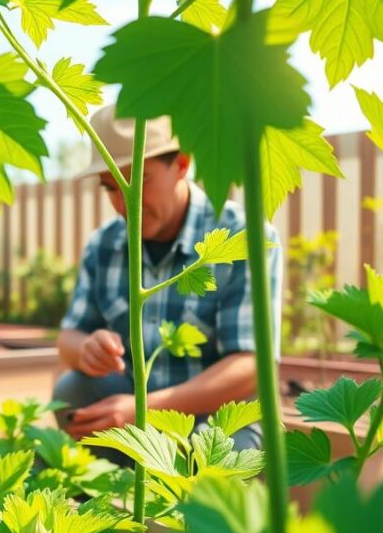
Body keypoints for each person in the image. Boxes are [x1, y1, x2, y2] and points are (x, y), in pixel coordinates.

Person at [53, 105, 281, 452]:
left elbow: (251, 365)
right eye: (110, 188)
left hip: (212, 419)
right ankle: (110, 490)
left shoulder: (242, 237)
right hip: (130, 410)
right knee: (72, 390)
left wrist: (142, 410)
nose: (125, 203)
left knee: (228, 454)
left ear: (182, 164)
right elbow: (68, 336)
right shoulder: (104, 244)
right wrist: (86, 349)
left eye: (138, 181)